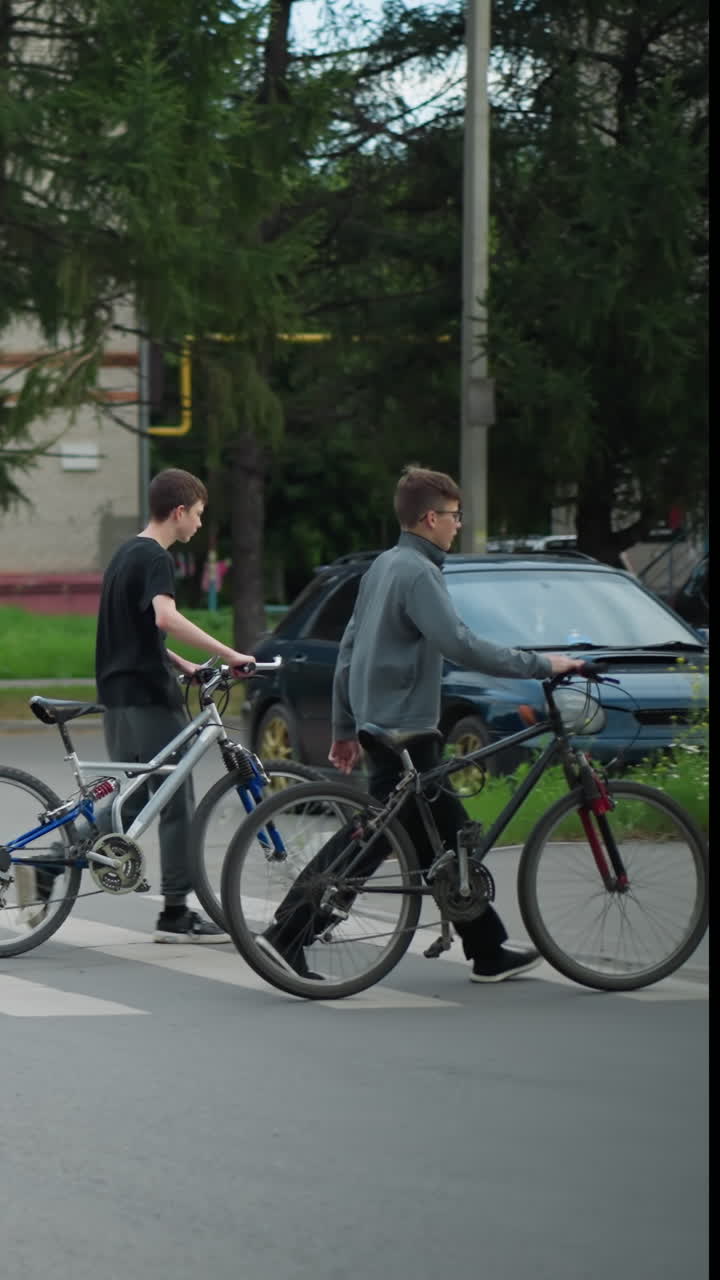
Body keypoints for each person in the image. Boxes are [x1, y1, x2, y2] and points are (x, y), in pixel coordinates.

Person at [257, 465, 585, 983]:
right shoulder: (416, 573)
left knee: (440, 841)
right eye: (455, 516)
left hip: (381, 725)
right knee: (380, 837)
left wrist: (346, 727)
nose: (458, 525)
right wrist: (542, 664)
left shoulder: (383, 567)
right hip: (407, 731)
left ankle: (486, 948)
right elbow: (460, 644)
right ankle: (290, 931)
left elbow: (347, 650)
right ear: (430, 518)